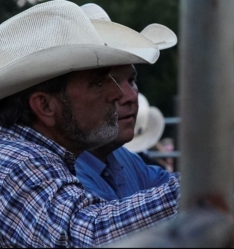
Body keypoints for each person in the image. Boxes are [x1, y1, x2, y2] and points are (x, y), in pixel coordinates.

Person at [0, 1, 180, 247]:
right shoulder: (11, 164)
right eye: (99, 83)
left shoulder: (11, 154)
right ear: (45, 106)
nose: (118, 95)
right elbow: (90, 234)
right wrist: (196, 190)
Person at [73, 3, 177, 201]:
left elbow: (173, 187)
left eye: (131, 80)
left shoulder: (122, 158)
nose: (130, 96)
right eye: (102, 83)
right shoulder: (67, 176)